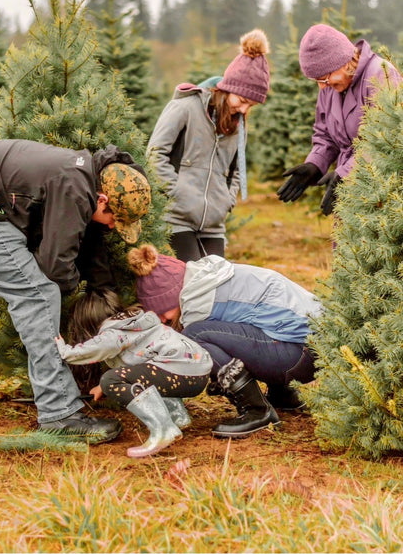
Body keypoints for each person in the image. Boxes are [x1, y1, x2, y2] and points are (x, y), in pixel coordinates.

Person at [0, 137, 152, 443]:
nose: (113, 226)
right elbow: (54, 266)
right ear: (102, 199)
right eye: (115, 218)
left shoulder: (80, 173)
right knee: (37, 293)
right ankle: (59, 411)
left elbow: (76, 238)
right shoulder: (75, 187)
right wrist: (74, 298)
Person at [127, 244, 321, 438]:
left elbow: (191, 356)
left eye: (161, 311)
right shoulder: (209, 276)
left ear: (170, 298)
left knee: (194, 335)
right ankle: (282, 395)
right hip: (313, 350)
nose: (162, 319)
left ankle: (258, 411)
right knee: (253, 325)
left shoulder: (198, 302)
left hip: (298, 357)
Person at [146, 29, 271, 262]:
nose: (244, 110)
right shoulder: (185, 108)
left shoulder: (238, 126)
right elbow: (155, 154)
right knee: (191, 283)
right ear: (227, 89)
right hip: (176, 219)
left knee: (216, 285)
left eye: (251, 106)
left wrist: (225, 201)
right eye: (242, 101)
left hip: (213, 224)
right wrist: (175, 194)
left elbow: (234, 173)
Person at [53, 290, 211, 457]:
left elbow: (87, 351)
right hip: (197, 371)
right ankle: (177, 416)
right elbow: (140, 367)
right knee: (149, 372)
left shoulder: (112, 333)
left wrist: (63, 350)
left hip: (180, 371)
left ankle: (164, 429)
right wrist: (100, 387)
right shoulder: (133, 323)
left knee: (110, 380)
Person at [277, 23, 402, 214]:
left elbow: (385, 137)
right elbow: (325, 134)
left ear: (344, 62)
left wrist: (345, 174)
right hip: (349, 190)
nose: (322, 87)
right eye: (317, 81)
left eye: (325, 79)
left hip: (384, 189)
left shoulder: (380, 74)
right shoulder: (329, 88)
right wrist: (315, 164)